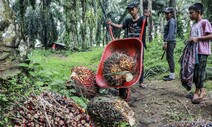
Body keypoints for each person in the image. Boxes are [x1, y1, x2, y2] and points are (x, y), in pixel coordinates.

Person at [107, 2, 150, 88]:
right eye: (129, 10)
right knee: (126, 62)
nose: (131, 11)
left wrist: (147, 16)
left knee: (140, 63)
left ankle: (141, 81)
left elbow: (146, 22)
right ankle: (126, 79)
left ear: (136, 9)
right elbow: (120, 26)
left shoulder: (142, 19)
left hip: (139, 45)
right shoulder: (128, 20)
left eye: (132, 9)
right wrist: (111, 24)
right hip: (129, 45)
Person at [181, 3, 212, 104]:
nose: (190, 15)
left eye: (191, 13)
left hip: (202, 52)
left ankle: (198, 92)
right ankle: (200, 90)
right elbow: (193, 38)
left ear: (198, 12)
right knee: (194, 72)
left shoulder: (204, 22)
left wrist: (197, 38)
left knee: (200, 72)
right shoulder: (194, 25)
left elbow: (210, 35)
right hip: (193, 53)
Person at [163, 7, 177, 81]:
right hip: (169, 42)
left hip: (170, 42)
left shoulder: (171, 21)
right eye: (165, 13)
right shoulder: (170, 21)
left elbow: (171, 33)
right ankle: (171, 74)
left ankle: (172, 76)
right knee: (168, 58)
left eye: (167, 13)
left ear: (171, 14)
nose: (166, 15)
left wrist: (166, 42)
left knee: (170, 58)